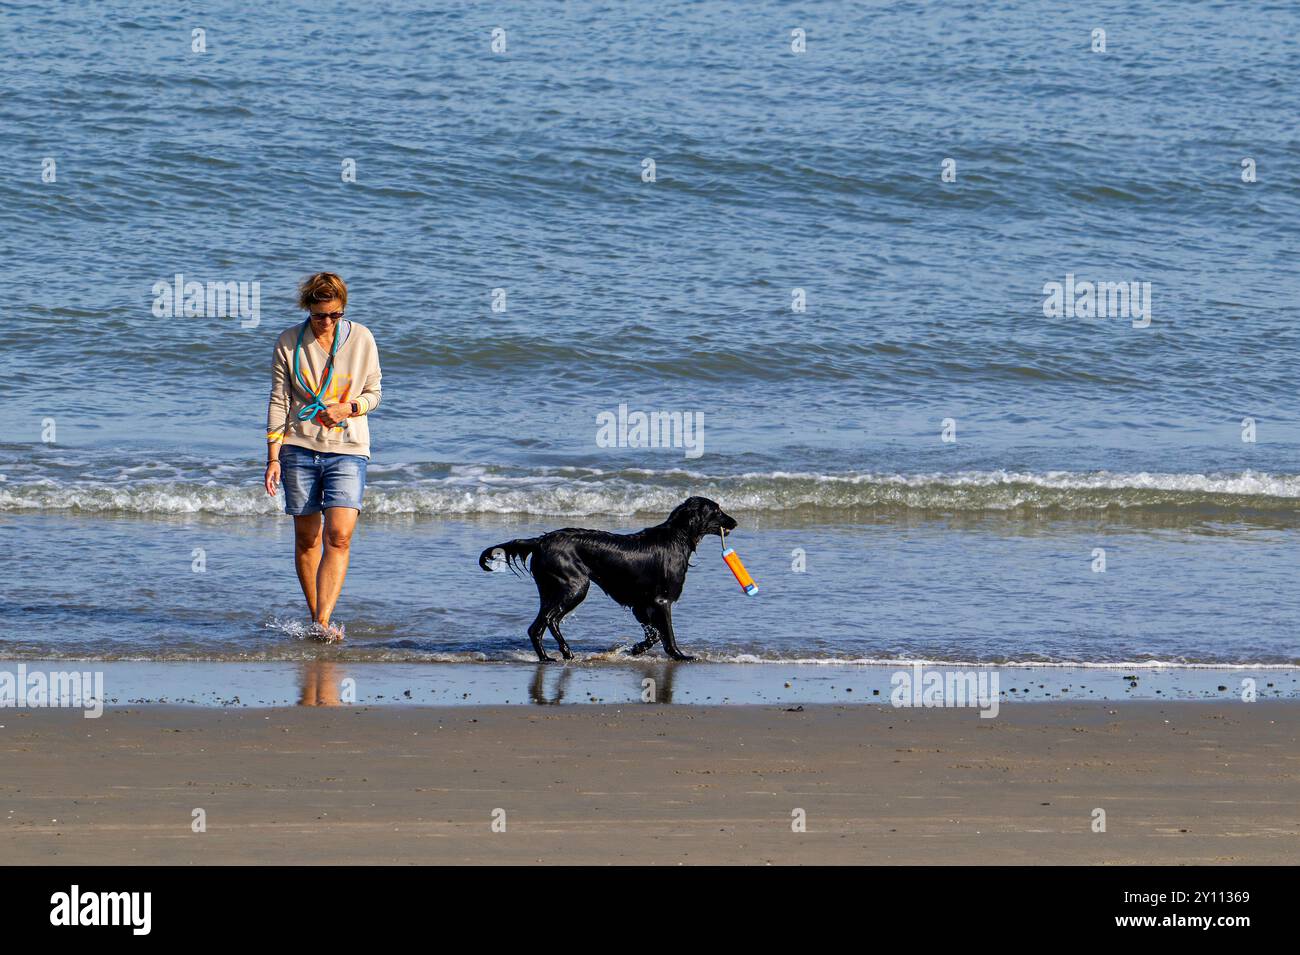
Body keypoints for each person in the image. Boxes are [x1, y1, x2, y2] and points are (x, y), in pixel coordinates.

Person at [264, 272, 382, 641]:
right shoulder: (288, 342)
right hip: (299, 447)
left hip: (348, 449)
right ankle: (319, 620)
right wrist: (272, 457)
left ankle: (323, 620)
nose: (328, 322)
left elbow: (375, 392)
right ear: (308, 310)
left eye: (335, 314)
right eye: (320, 316)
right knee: (306, 539)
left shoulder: (361, 338)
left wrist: (349, 408)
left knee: (340, 536)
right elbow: (279, 400)